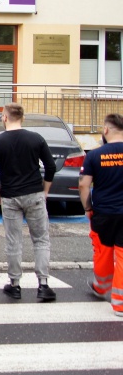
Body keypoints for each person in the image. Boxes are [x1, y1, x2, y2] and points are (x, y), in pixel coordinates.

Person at [0, 103, 57, 302]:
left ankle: (15, 285)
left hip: (9, 195)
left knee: (13, 240)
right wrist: (45, 190)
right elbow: (50, 166)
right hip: (34, 193)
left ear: (5, 117)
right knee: (41, 239)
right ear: (22, 118)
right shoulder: (35, 139)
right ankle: (43, 284)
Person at [79, 113, 123, 318]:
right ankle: (120, 304)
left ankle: (102, 285)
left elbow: (83, 185)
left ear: (106, 130)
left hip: (103, 213)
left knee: (103, 252)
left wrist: (88, 208)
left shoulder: (95, 155)